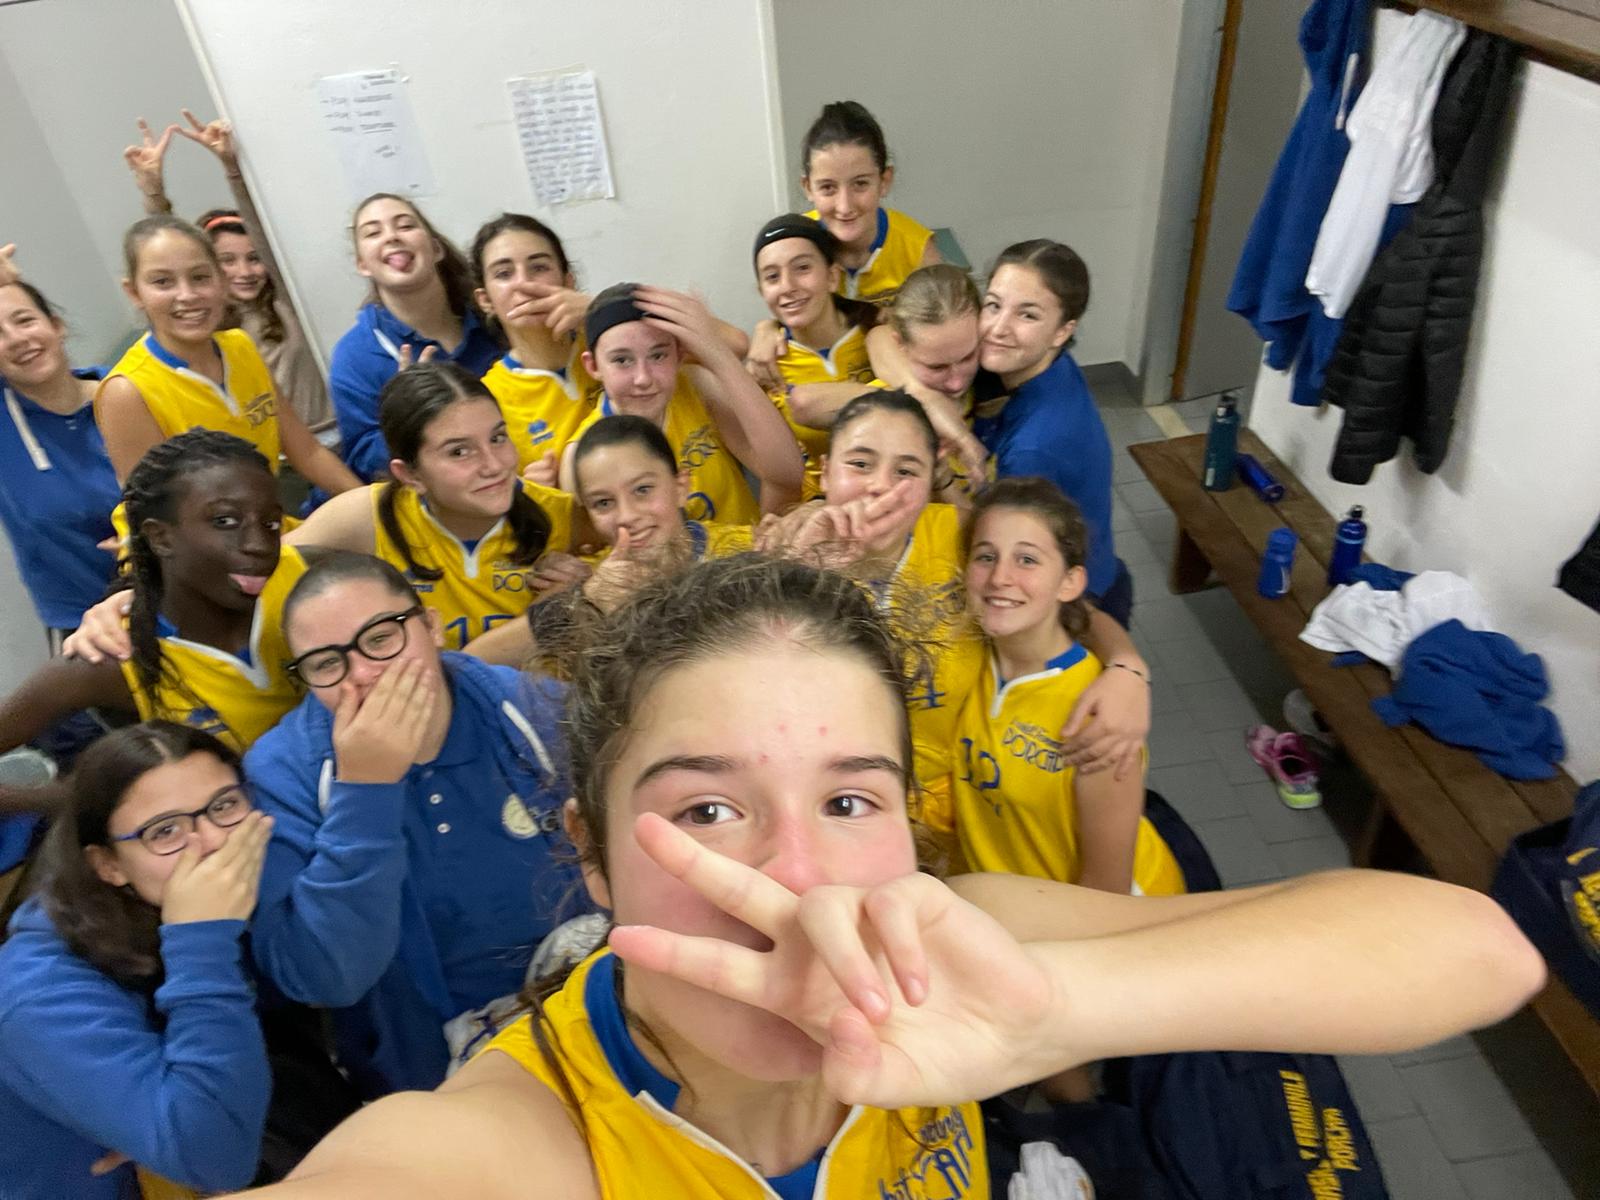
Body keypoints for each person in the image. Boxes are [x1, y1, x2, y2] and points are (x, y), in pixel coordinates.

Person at [234, 553, 1544, 1198]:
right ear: (589, 849)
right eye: (708, 808)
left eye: (848, 799)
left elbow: (1475, 948)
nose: (805, 879)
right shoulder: (526, 1140)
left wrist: (1055, 1016)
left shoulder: (958, 941)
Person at [244, 551, 587, 1096]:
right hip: (437, 1077)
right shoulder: (282, 773)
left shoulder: (537, 711)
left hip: (595, 1012)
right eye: (326, 664)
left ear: (431, 626)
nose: (363, 675)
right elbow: (325, 978)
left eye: (381, 638)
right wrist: (366, 789)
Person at [775, 390, 1153, 840]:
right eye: (859, 464)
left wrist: (1127, 668)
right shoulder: (782, 560)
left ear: (929, 480)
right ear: (824, 472)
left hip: (972, 806)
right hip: (840, 814)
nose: (879, 485)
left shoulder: (959, 537)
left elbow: (1070, 605)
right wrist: (794, 571)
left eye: (906, 471)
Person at [0, 721, 272, 1198]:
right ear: (107, 866)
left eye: (224, 805)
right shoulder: (39, 997)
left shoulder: (169, 903)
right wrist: (202, 942)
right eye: (164, 831)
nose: (213, 841)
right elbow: (219, 1158)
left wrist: (148, 1113)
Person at [0, 433, 308, 814]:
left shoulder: (308, 578)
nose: (259, 544)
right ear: (160, 537)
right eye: (225, 521)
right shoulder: (113, 656)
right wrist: (93, 806)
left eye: (272, 523)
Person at [955, 477, 1184, 896]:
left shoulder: (1099, 718)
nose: (1000, 577)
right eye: (986, 557)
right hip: (999, 903)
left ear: (1070, 582)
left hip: (1088, 917)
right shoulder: (970, 657)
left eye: (1027, 560)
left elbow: (1106, 894)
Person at [284, 362, 581, 651]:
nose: (494, 465)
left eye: (497, 437)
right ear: (410, 475)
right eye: (459, 452)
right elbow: (269, 570)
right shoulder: (370, 516)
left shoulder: (559, 514)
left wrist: (583, 579)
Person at [94, 216, 357, 505]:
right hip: (217, 534)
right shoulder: (127, 391)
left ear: (221, 280)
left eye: (200, 277)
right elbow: (159, 515)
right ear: (134, 292)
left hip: (271, 520)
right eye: (163, 282)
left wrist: (374, 505)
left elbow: (307, 451)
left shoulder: (240, 346)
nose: (187, 295)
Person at [124, 112, 332, 427]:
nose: (244, 272)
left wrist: (233, 168)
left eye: (253, 258)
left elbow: (261, 231)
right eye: (228, 260)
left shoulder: (285, 303)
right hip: (265, 448)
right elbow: (170, 256)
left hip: (329, 436)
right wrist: (154, 194)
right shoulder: (204, 323)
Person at [973, 240, 1128, 626]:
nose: (998, 329)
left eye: (1027, 315)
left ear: (1062, 330)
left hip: (1073, 607)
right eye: (993, 305)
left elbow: (1001, 554)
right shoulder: (1051, 365)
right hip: (1099, 566)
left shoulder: (1033, 449)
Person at [559, 285, 804, 522]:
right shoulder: (582, 456)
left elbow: (787, 475)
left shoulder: (697, 386)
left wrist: (717, 354)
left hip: (740, 547)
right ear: (593, 366)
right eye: (622, 360)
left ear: (679, 355)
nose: (643, 378)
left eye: (658, 356)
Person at [329, 194, 502, 481]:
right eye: (373, 233)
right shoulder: (356, 355)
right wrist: (409, 413)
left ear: (435, 248)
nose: (392, 237)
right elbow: (363, 460)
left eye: (405, 226)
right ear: (363, 265)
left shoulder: (492, 317)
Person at [0, 249, 120, 637]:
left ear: (56, 326)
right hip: (86, 630)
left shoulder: (127, 393)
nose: (17, 340)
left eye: (24, 320)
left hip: (186, 599)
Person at [748, 214, 878, 499]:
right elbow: (776, 472)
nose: (787, 286)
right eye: (772, 277)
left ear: (832, 276)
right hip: (815, 503)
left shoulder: (876, 332)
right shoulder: (765, 366)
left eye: (802, 268)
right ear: (762, 291)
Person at [471, 213, 599, 484]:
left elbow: (698, 341)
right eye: (504, 274)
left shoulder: (612, 343)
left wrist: (602, 310)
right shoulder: (487, 400)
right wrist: (531, 496)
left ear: (568, 282)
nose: (524, 284)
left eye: (539, 267)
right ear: (485, 300)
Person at [800, 101, 940, 305]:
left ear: (884, 181)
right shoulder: (795, 244)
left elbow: (943, 320)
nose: (845, 207)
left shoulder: (917, 251)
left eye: (860, 184)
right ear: (808, 188)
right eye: (828, 187)